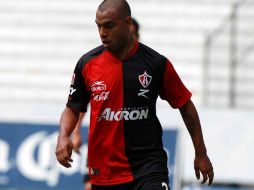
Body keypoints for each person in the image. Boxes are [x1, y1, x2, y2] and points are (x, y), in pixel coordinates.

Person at [55, 0, 214, 189]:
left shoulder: (156, 64)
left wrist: (201, 152)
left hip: (148, 167)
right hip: (105, 171)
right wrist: (63, 135)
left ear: (127, 23)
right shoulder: (87, 64)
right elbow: (73, 107)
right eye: (99, 26)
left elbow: (185, 104)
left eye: (109, 26)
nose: (102, 33)